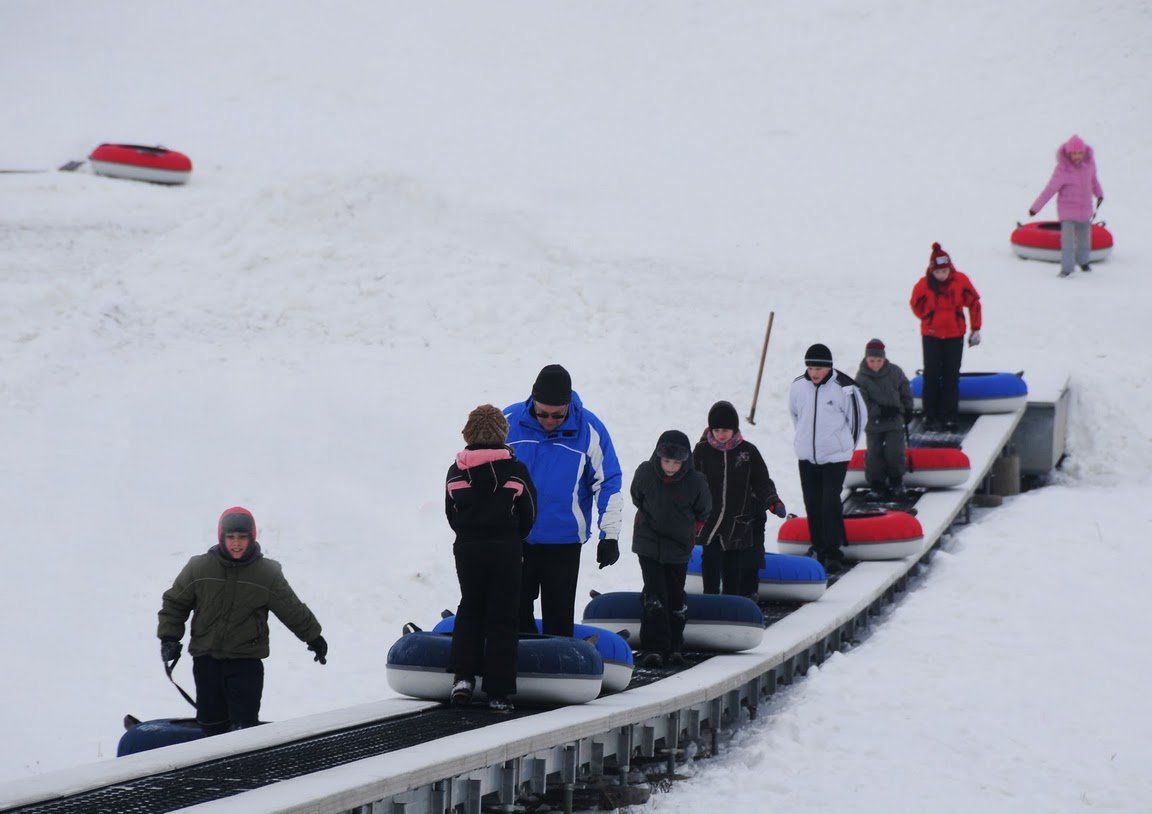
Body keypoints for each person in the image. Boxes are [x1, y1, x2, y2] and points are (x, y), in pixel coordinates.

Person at [157, 507, 326, 736]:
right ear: (221, 537)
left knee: (243, 731)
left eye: (242, 537)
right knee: (211, 727)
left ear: (252, 537)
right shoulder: (199, 567)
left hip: (245, 664)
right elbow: (175, 602)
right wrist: (169, 638)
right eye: (231, 537)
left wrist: (314, 637)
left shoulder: (267, 573)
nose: (236, 543)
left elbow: (291, 608)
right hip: (207, 661)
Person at [504, 364, 623, 637]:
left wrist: (610, 536)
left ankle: (557, 667)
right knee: (514, 609)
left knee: (558, 616)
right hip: (515, 538)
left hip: (563, 541)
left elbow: (608, 482)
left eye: (557, 415)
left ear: (569, 405)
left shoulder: (589, 430)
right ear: (532, 400)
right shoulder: (509, 422)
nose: (548, 420)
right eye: (542, 413)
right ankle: (513, 666)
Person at [445, 404, 537, 713]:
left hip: (468, 549)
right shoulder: (515, 470)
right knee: (503, 615)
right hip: (505, 549)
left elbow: (451, 514)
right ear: (502, 435)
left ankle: (462, 678)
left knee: (470, 607)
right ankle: (498, 691)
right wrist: (515, 537)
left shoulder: (456, 470)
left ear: (468, 434)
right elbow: (529, 514)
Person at [630, 430, 712, 668]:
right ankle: (654, 648)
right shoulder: (645, 473)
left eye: (676, 462)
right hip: (648, 543)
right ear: (658, 457)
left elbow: (704, 510)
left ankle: (675, 645)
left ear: (685, 462)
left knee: (675, 595)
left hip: (678, 547)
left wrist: (688, 529)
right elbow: (637, 497)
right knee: (655, 595)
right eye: (667, 461)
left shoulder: (696, 482)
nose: (671, 467)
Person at [692, 400, 786, 599]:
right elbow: (692, 482)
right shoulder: (702, 451)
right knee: (710, 561)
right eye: (716, 430)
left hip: (737, 522)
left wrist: (773, 501)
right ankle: (710, 601)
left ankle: (732, 603)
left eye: (725, 430)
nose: (720, 434)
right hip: (710, 521)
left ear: (734, 429)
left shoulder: (747, 452)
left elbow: (761, 481)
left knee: (733, 565)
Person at [789, 344, 867, 574]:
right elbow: (795, 415)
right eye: (811, 368)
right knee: (812, 502)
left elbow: (858, 419)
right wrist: (803, 441)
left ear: (829, 368)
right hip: (806, 456)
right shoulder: (798, 387)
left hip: (835, 456)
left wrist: (845, 447)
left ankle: (833, 551)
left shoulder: (845, 388)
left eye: (819, 369)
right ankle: (819, 547)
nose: (814, 373)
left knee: (829, 501)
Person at [909, 242, 983, 431]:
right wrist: (927, 316)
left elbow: (974, 302)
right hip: (931, 336)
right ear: (932, 271)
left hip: (954, 335)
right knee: (931, 375)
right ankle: (929, 415)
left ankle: (950, 415)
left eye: (945, 272)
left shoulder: (960, 281)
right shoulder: (923, 285)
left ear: (950, 269)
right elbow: (915, 303)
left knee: (951, 376)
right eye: (938, 273)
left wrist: (976, 328)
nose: (942, 276)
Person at [1029, 134, 1105, 278]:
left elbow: (1094, 181)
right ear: (1069, 153)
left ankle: (1084, 262)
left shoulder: (1089, 165)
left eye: (1080, 153)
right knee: (1068, 241)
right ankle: (1067, 268)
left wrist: (1099, 194)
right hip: (1068, 212)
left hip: (1085, 210)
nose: (1077, 156)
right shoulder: (1063, 169)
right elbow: (1049, 190)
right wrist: (1035, 208)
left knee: (1084, 239)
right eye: (1074, 153)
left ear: (1084, 152)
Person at [855, 339, 914, 498]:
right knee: (874, 455)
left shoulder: (895, 372)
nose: (875, 364)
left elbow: (905, 390)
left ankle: (896, 481)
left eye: (879, 360)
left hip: (894, 421)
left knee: (895, 452)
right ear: (866, 359)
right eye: (872, 361)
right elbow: (863, 403)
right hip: (874, 424)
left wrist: (908, 409)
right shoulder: (861, 378)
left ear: (884, 359)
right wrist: (880, 411)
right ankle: (877, 485)